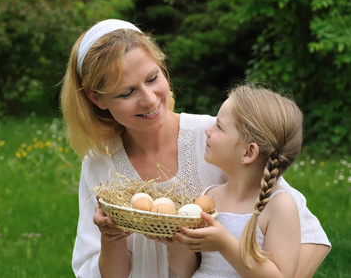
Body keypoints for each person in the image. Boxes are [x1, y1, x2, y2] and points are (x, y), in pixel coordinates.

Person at [60, 19, 331, 278]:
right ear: (96, 98)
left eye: (152, 78)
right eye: (127, 93)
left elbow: (311, 238)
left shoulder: (219, 139)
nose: (149, 99)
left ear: (162, 67)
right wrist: (111, 238)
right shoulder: (100, 164)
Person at [168, 85, 309, 277]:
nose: (208, 130)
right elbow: (185, 271)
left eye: (219, 126)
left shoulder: (279, 205)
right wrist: (179, 245)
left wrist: (224, 244)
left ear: (248, 152)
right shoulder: (210, 196)